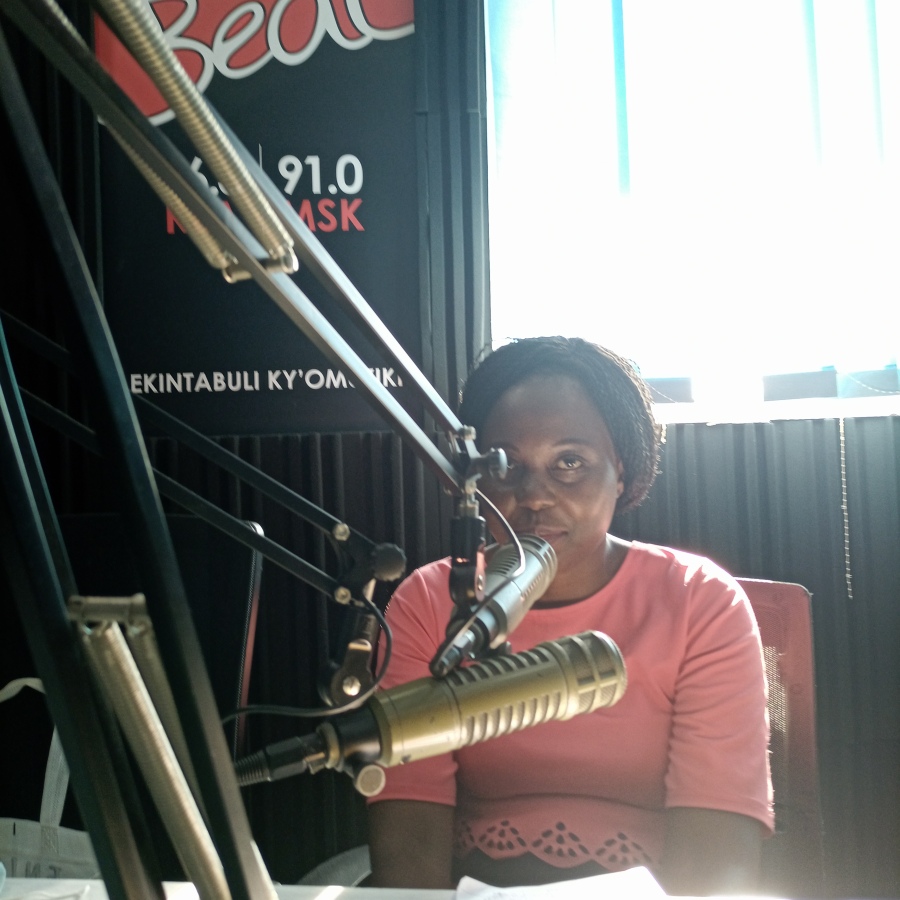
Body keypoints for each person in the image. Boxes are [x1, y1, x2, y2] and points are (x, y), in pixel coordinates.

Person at [366, 336, 773, 894]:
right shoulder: (432, 600)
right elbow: (409, 837)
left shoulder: (700, 601)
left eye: (570, 463)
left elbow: (717, 850)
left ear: (621, 471)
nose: (534, 495)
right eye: (505, 465)